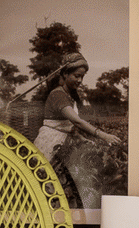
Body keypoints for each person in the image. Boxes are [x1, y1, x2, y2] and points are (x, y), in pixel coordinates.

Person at [33, 53, 121, 208]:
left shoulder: (68, 95)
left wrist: (83, 139)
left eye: (82, 76)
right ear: (65, 74)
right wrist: (103, 135)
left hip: (64, 141)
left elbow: (69, 126)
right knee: (57, 186)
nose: (80, 80)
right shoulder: (58, 95)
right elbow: (76, 121)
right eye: (76, 76)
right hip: (51, 144)